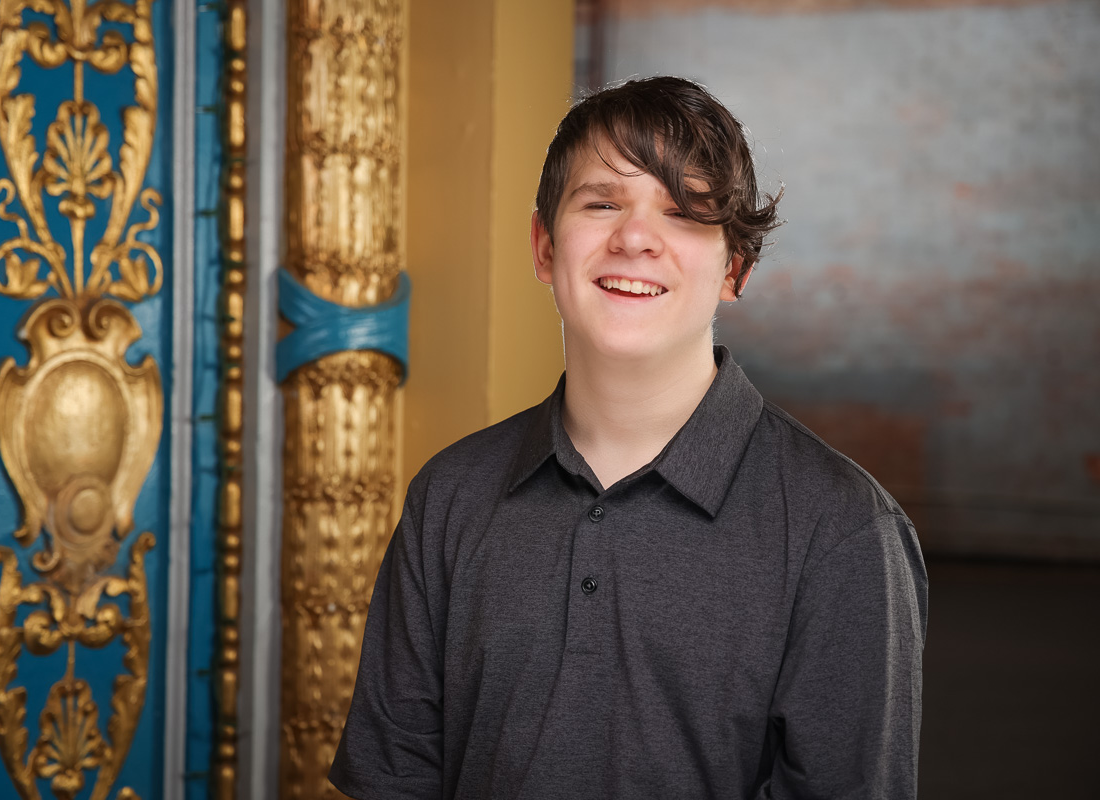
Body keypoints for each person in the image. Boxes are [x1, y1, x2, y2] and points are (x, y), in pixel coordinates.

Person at [329, 76, 928, 799]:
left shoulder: (843, 531)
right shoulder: (450, 496)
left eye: (683, 212)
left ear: (735, 268)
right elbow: (392, 782)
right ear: (545, 247)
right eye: (603, 202)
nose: (636, 237)